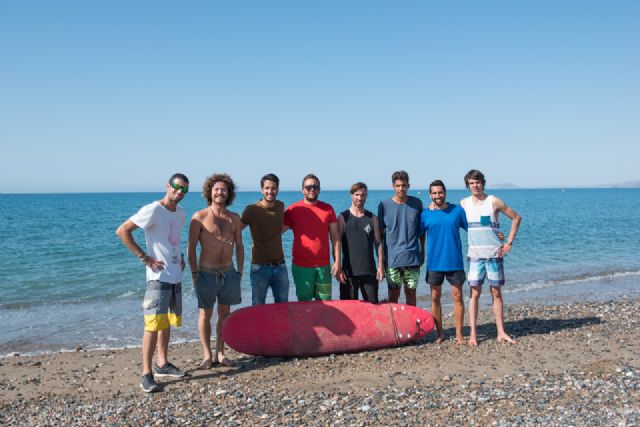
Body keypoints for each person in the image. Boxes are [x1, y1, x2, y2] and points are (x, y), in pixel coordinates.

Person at [116, 173, 189, 393]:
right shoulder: (153, 209)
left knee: (165, 322)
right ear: (168, 185)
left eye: (184, 190)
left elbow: (171, 240)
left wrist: (181, 256)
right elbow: (123, 231)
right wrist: (144, 258)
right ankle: (146, 374)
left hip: (174, 275)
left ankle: (162, 364)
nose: (179, 192)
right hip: (157, 278)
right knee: (152, 325)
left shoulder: (181, 213)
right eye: (176, 187)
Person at [188, 173, 244, 368]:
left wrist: (240, 272)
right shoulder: (199, 217)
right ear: (210, 192)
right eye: (217, 189)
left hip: (229, 272)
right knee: (205, 314)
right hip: (206, 272)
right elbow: (191, 248)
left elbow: (240, 245)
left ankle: (220, 353)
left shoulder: (234, 218)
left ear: (229, 194)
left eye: (224, 189)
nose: (220, 192)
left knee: (225, 314)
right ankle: (206, 354)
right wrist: (195, 273)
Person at [461, 169, 522, 346]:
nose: (475, 185)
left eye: (478, 182)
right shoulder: (464, 203)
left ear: (483, 183)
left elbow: (516, 218)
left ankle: (501, 331)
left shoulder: (493, 201)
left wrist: (508, 242)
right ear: (468, 185)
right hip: (475, 257)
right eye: (472, 183)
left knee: (496, 293)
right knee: (474, 294)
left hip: (494, 255)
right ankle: (473, 333)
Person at [420, 180, 468, 344]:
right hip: (434, 262)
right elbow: (420, 236)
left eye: (440, 192)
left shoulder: (457, 211)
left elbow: (474, 228)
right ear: (430, 195)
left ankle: (459, 333)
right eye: (434, 193)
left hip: (454, 261)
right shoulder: (426, 213)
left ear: (445, 192)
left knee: (458, 297)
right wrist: (421, 254)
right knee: (435, 297)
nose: (437, 195)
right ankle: (439, 333)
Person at [284, 174, 340, 301]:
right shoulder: (293, 209)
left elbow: (335, 238)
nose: (312, 189)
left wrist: (337, 262)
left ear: (319, 189)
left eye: (315, 186)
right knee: (304, 305)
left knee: (326, 304)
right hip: (301, 266)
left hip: (324, 267)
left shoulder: (328, 209)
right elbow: (276, 232)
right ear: (302, 189)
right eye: (308, 187)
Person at [241, 173, 289, 305]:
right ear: (261, 190)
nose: (270, 191)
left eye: (273, 188)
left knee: (283, 307)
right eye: (267, 188)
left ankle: (279, 327)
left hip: (281, 266)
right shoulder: (252, 210)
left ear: (277, 189)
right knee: (258, 308)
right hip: (259, 267)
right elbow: (237, 230)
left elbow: (281, 226)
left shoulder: (280, 206)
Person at [378, 171, 424, 306]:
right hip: (392, 259)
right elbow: (379, 237)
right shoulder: (384, 205)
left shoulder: (417, 203)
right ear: (393, 186)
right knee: (393, 295)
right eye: (398, 186)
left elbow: (421, 232)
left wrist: (423, 253)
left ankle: (411, 326)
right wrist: (381, 262)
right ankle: (395, 326)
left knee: (411, 294)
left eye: (403, 185)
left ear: (408, 185)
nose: (401, 189)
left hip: (412, 258)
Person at [335, 182, 385, 303]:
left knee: (373, 307)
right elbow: (337, 244)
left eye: (363, 195)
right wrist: (338, 268)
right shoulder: (343, 217)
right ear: (351, 195)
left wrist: (381, 266)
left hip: (369, 271)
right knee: (349, 309)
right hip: (348, 273)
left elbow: (378, 243)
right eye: (357, 194)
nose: (360, 198)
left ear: (366, 196)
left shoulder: (372, 218)